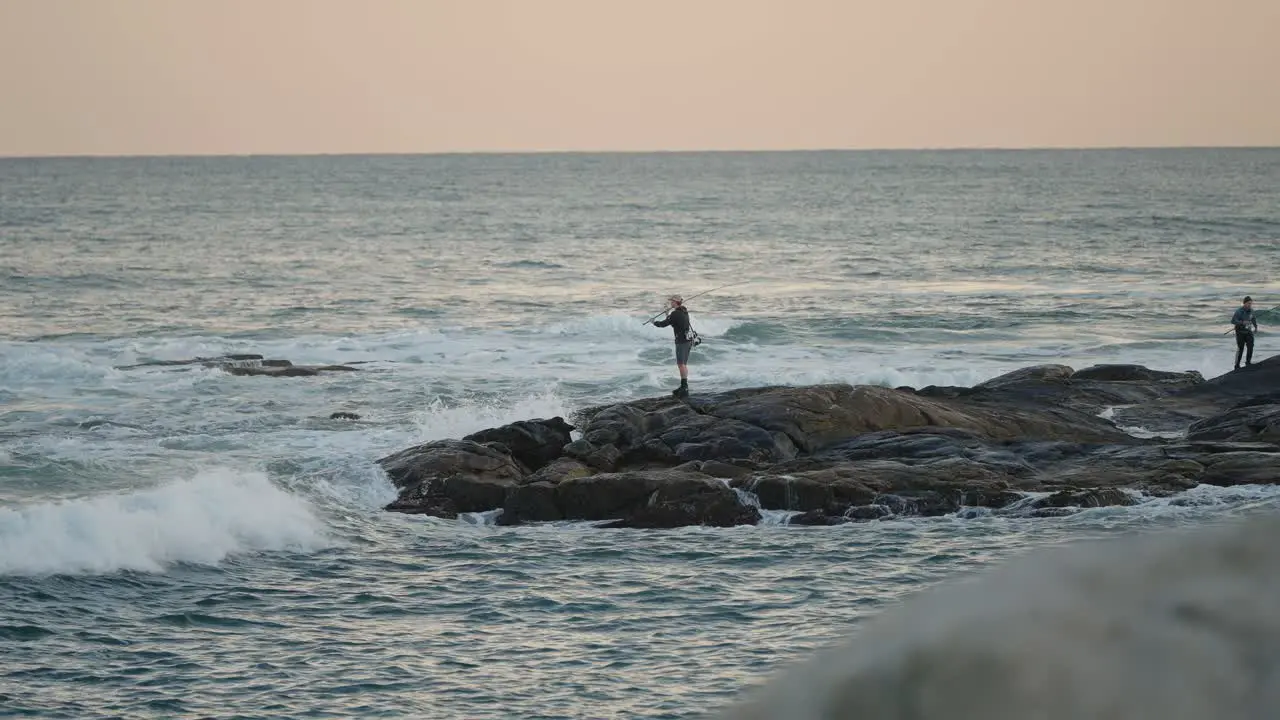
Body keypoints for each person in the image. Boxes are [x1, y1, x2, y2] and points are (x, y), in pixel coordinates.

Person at [652, 294, 697, 397]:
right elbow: (673, 322)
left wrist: (654, 322)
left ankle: (684, 387)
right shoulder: (684, 311)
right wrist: (668, 314)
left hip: (681, 341)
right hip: (688, 340)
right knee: (683, 364)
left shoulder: (675, 313)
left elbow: (664, 324)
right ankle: (684, 386)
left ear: (676, 302)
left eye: (672, 301)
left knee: (681, 364)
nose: (670, 303)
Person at [1231, 295, 1259, 370]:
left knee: (1251, 345)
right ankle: (1237, 365)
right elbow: (1233, 321)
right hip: (1240, 332)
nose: (1250, 305)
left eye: (1251, 303)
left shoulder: (1251, 310)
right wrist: (1242, 322)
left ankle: (1248, 362)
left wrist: (1256, 327)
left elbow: (1253, 319)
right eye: (1248, 303)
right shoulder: (1239, 311)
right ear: (1244, 303)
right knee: (1241, 348)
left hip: (1248, 331)